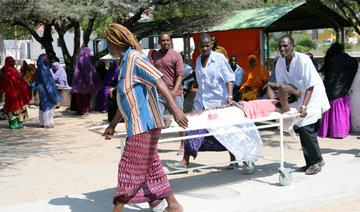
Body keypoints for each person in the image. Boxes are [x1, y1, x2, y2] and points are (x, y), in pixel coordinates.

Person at [102, 23, 187, 212]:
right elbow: (126, 98)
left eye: (109, 43)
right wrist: (112, 125)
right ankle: (171, 205)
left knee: (128, 168)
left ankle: (118, 208)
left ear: (116, 42)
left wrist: (174, 109)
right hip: (139, 124)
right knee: (151, 166)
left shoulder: (136, 58)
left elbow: (158, 79)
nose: (108, 47)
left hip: (144, 125)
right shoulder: (124, 62)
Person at [170, 33, 235, 169]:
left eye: (207, 46)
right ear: (198, 46)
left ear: (212, 45)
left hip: (218, 102)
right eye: (202, 46)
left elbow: (229, 77)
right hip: (201, 103)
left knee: (225, 132)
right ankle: (185, 161)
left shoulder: (219, 58)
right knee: (192, 127)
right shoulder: (198, 60)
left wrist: (229, 96)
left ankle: (233, 159)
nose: (205, 48)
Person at [276, 35, 330, 175]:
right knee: (302, 127)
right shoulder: (280, 63)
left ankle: (316, 161)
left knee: (306, 126)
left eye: (285, 46)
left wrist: (304, 106)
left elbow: (310, 85)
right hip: (298, 96)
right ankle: (311, 162)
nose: (282, 49)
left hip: (312, 95)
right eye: (280, 46)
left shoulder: (303, 60)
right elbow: (283, 85)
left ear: (293, 46)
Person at [149, 32, 186, 155]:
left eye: (168, 40)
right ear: (159, 42)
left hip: (175, 92)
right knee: (155, 118)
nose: (166, 42)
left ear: (170, 41)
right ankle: (153, 146)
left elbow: (180, 74)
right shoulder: (156, 56)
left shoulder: (176, 55)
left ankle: (183, 144)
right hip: (160, 94)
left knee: (180, 118)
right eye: (163, 41)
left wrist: (174, 91)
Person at [317, 43, 358, 139]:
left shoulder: (330, 59)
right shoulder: (344, 58)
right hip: (340, 90)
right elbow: (354, 62)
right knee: (339, 111)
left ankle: (328, 131)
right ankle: (338, 132)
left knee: (330, 110)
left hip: (328, 88)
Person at [70, 47, 103, 115]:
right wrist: (90, 81)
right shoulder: (85, 60)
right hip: (85, 82)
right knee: (85, 97)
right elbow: (87, 72)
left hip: (78, 82)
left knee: (79, 97)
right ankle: (84, 111)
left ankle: (79, 110)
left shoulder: (78, 60)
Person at [0, 57, 30, 129]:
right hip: (11, 93)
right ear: (8, 63)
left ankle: (20, 123)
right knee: (13, 107)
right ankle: (13, 124)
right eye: (11, 61)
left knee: (20, 107)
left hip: (18, 92)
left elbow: (19, 79)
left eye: (13, 61)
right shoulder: (7, 71)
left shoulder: (13, 70)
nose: (13, 62)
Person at [36, 54, 62, 128]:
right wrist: (50, 91)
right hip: (46, 90)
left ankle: (44, 122)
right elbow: (46, 81)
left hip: (47, 89)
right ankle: (46, 123)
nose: (48, 61)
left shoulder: (45, 68)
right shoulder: (42, 69)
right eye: (46, 59)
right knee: (47, 106)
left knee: (45, 106)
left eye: (47, 59)